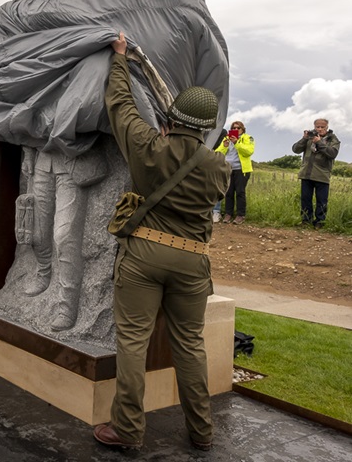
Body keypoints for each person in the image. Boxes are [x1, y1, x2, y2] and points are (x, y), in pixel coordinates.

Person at [93, 32, 230, 452]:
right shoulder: (219, 169)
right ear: (207, 128)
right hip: (194, 262)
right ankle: (202, 432)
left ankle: (128, 430)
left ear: (170, 116)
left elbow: (120, 105)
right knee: (190, 346)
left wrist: (119, 60)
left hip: (145, 254)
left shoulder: (148, 147)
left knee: (132, 342)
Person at [292, 119, 341, 228]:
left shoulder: (333, 139)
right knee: (305, 199)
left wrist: (319, 142)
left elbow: (332, 153)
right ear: (314, 126)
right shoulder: (309, 137)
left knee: (322, 200)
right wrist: (304, 139)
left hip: (322, 175)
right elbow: (295, 149)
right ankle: (306, 220)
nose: (319, 129)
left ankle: (320, 222)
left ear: (327, 127)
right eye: (317, 127)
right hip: (307, 174)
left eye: (322, 127)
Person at [214, 121, 254, 224]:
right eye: (234, 128)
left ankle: (240, 215)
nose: (236, 130)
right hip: (228, 169)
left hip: (241, 169)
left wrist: (237, 143)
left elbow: (249, 151)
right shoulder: (227, 138)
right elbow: (218, 153)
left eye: (238, 128)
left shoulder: (248, 138)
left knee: (240, 192)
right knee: (228, 192)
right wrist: (224, 145)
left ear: (242, 129)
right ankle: (228, 214)